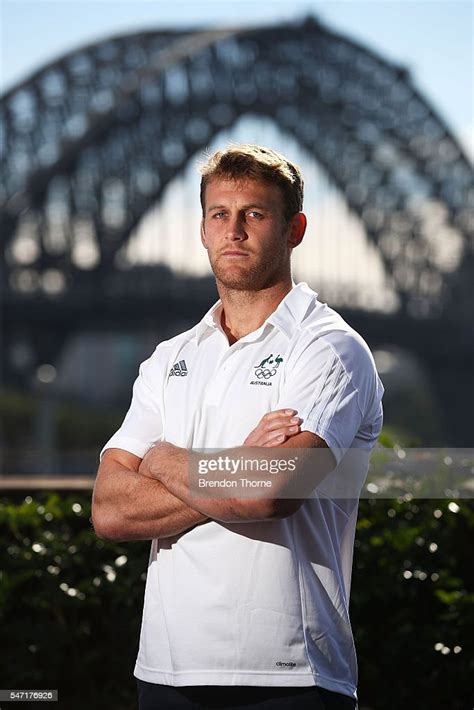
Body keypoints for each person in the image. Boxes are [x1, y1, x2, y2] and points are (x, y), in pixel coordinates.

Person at [92, 144, 384, 710]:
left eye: (255, 214)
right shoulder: (168, 358)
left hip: (291, 675)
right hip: (165, 670)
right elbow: (109, 509)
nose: (235, 231)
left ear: (294, 229)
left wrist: (165, 461)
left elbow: (272, 491)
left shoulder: (330, 348)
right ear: (202, 229)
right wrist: (238, 462)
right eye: (219, 215)